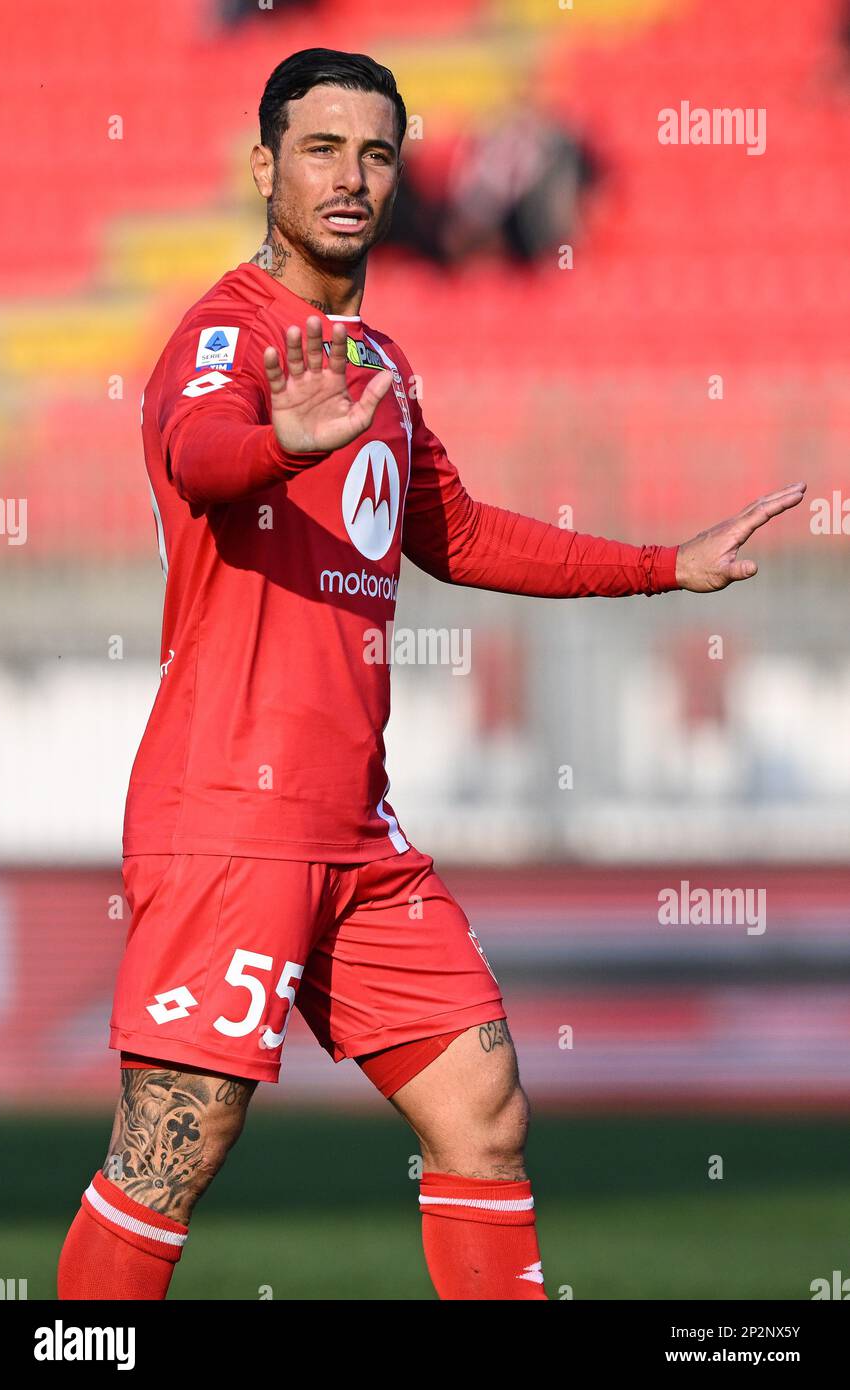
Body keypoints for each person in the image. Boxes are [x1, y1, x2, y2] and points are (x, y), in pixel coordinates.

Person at [57, 47, 806, 1301]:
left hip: (354, 825)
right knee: (171, 1142)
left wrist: (661, 564)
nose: (350, 177)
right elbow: (195, 450)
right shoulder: (225, 334)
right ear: (264, 166)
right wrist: (272, 441)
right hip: (232, 819)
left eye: (375, 152)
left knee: (482, 1109)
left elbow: (454, 532)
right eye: (319, 147)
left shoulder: (379, 363)